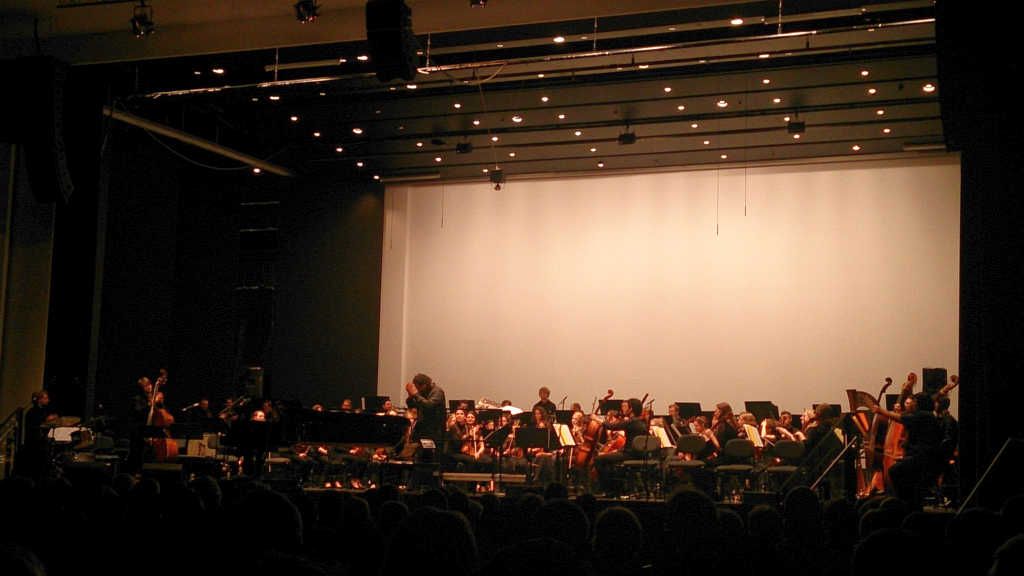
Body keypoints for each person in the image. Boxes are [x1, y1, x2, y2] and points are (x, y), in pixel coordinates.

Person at [871, 391, 943, 508]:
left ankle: (905, 503)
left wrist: (881, 411)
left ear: (919, 403)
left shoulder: (924, 415)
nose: (912, 404)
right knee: (899, 471)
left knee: (894, 471)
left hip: (923, 459)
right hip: (921, 457)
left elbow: (901, 418)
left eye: (914, 401)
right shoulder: (926, 415)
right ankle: (909, 502)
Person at [595, 398, 647, 495]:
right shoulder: (643, 422)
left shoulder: (631, 422)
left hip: (629, 455)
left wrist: (597, 419)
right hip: (639, 455)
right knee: (608, 458)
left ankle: (607, 489)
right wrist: (619, 450)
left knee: (598, 459)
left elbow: (611, 426)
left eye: (626, 407)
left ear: (631, 409)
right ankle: (616, 487)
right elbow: (631, 442)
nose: (623, 409)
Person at [405, 373, 446, 449]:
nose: (417, 390)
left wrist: (416, 394)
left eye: (418, 388)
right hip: (423, 428)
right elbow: (411, 405)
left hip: (435, 430)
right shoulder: (422, 392)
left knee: (431, 452)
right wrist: (411, 395)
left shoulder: (437, 392)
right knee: (418, 450)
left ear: (424, 385)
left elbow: (429, 406)